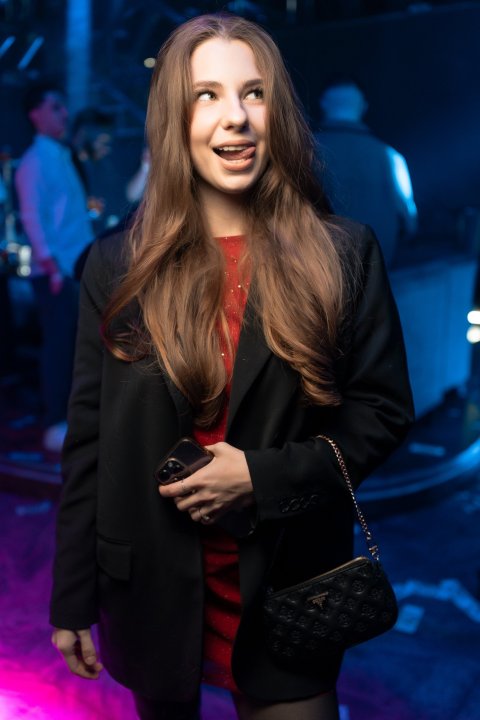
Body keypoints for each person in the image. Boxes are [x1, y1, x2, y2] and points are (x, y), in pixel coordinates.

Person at [50, 14, 414, 720]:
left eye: (254, 92)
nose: (236, 116)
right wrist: (72, 597)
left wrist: (263, 477)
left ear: (278, 112)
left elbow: (383, 412)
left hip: (290, 585)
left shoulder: (343, 252)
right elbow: (89, 441)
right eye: (206, 95)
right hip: (151, 587)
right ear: (174, 119)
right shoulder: (116, 266)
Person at [15, 81, 93, 452]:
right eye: (55, 108)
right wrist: (51, 266)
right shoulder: (34, 161)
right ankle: (54, 422)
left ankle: (75, 418)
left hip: (75, 266)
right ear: (36, 114)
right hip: (56, 273)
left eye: (63, 107)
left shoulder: (60, 155)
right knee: (59, 347)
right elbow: (32, 218)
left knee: (78, 346)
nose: (63, 114)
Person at [315, 78, 418, 267]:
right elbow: (410, 224)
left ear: (323, 104)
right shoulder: (391, 157)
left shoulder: (299, 153)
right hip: (375, 273)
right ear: (363, 107)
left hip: (315, 272)